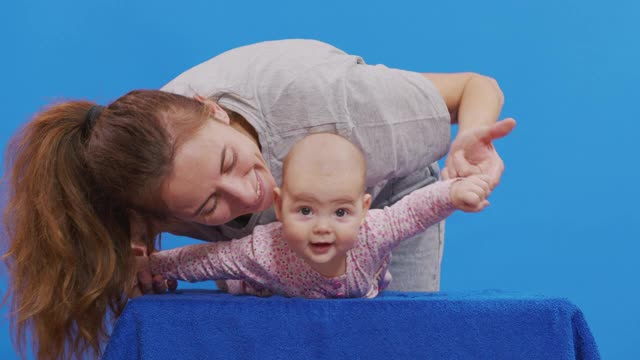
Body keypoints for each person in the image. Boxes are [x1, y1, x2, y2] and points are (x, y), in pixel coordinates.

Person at [2, 39, 515, 359]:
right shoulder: (145, 183)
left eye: (229, 162)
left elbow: (474, 86)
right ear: (157, 213)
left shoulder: (338, 105)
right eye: (209, 207)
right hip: (262, 255)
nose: (248, 192)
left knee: (391, 338)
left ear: (213, 110)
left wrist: (472, 141)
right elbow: (149, 252)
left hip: (384, 204)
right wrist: (136, 257)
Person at [137, 133, 493, 298]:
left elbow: (414, 210)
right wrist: (153, 266)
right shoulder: (264, 250)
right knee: (238, 280)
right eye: (305, 210)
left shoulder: (373, 231)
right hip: (273, 282)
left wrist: (452, 193)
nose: (322, 227)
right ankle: (244, 286)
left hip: (363, 286)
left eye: (340, 212)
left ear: (363, 210)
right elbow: (204, 259)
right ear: (279, 207)